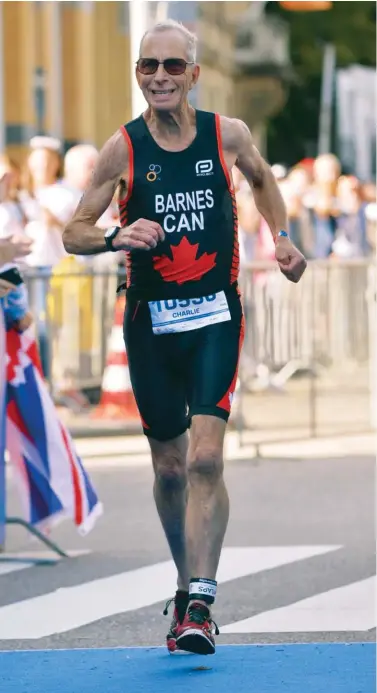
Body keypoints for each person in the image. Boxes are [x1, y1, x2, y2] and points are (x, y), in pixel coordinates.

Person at [63, 19, 307, 656]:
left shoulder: (229, 134)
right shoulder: (123, 149)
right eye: (149, 67)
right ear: (139, 75)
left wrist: (281, 239)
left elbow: (261, 181)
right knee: (169, 468)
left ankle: (202, 597)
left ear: (194, 75)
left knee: (204, 458)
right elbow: (75, 231)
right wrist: (117, 236)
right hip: (150, 325)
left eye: (173, 66)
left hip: (216, 318)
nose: (161, 77)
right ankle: (182, 584)